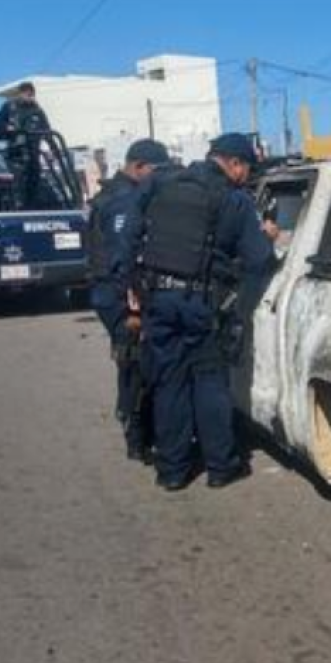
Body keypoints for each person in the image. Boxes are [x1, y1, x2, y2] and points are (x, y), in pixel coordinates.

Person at [125, 133, 279, 491]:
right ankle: (221, 467)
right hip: (201, 304)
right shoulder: (236, 200)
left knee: (170, 384)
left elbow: (130, 233)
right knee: (210, 382)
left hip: (157, 298)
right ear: (235, 163)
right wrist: (268, 236)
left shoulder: (161, 181)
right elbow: (259, 261)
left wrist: (132, 286)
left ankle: (172, 471)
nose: (246, 176)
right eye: (246, 168)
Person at [88, 138, 172, 464]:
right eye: (155, 171)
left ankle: (138, 429)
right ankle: (138, 438)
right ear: (138, 167)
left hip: (111, 290)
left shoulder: (113, 196)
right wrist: (132, 308)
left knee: (134, 363)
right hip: (118, 293)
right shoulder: (124, 200)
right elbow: (125, 262)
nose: (158, 178)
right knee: (136, 364)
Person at [0, 81, 52, 209]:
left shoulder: (37, 110)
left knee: (34, 178)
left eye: (32, 94)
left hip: (33, 151)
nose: (30, 97)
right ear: (20, 94)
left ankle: (32, 205)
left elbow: (47, 129)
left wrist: (51, 149)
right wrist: (6, 128)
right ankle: (18, 205)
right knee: (18, 179)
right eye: (27, 94)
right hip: (16, 152)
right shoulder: (9, 107)